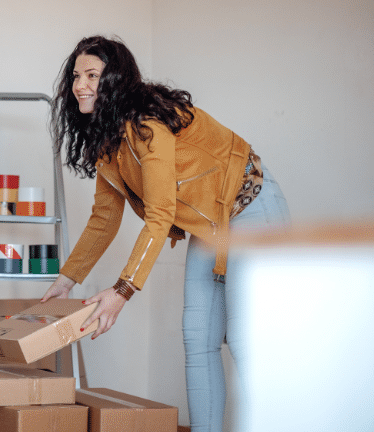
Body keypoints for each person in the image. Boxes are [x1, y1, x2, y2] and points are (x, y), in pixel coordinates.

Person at [39, 35, 289, 432]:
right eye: (75, 76)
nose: (79, 85)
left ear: (115, 81)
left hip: (250, 207)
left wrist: (122, 291)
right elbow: (104, 217)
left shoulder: (148, 127)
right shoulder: (110, 141)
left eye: (91, 75)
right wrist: (67, 280)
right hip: (209, 226)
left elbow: (159, 214)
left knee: (244, 342)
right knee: (198, 340)